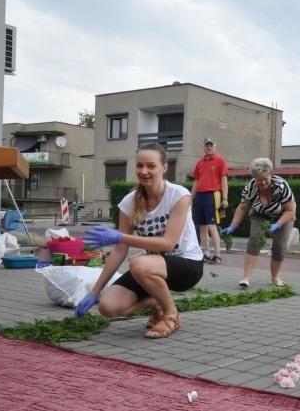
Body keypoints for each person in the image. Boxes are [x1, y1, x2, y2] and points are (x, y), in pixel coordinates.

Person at [73, 143, 204, 339]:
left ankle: (171, 314)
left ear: (164, 168)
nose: (144, 171)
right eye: (139, 165)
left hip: (187, 265)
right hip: (151, 268)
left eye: (151, 166)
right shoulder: (129, 202)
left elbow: (168, 244)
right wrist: (94, 292)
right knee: (108, 308)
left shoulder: (179, 195)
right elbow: (119, 250)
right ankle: (155, 301)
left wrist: (120, 236)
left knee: (139, 263)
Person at [221, 157, 296, 288]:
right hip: (260, 212)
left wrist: (278, 224)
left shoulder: (281, 186)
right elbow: (243, 207)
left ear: (270, 174)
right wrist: (232, 226)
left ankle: (275, 278)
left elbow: (290, 210)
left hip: (284, 214)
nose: (263, 183)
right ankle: (246, 278)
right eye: (259, 180)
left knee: (279, 246)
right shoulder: (250, 188)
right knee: (255, 240)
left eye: (265, 179)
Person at [190, 137, 229, 264]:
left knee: (212, 226)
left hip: (212, 195)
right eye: (207, 145)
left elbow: (224, 180)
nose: (209, 147)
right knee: (202, 226)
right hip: (200, 196)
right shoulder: (200, 162)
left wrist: (225, 198)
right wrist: (191, 197)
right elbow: (196, 181)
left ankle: (217, 254)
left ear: (215, 147)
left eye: (211, 145)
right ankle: (205, 253)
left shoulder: (220, 160)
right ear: (203, 147)